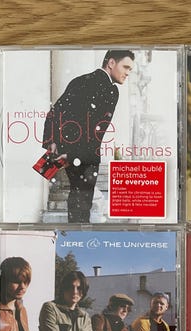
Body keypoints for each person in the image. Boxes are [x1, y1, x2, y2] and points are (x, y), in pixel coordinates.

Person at [42, 49, 135, 223]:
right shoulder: (110, 90)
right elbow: (94, 131)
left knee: (77, 200)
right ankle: (78, 235)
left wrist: (53, 142)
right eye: (126, 67)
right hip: (85, 153)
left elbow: (55, 112)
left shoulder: (80, 80)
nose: (128, 73)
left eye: (130, 69)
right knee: (81, 204)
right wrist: (73, 154)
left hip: (69, 150)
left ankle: (75, 234)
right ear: (111, 63)